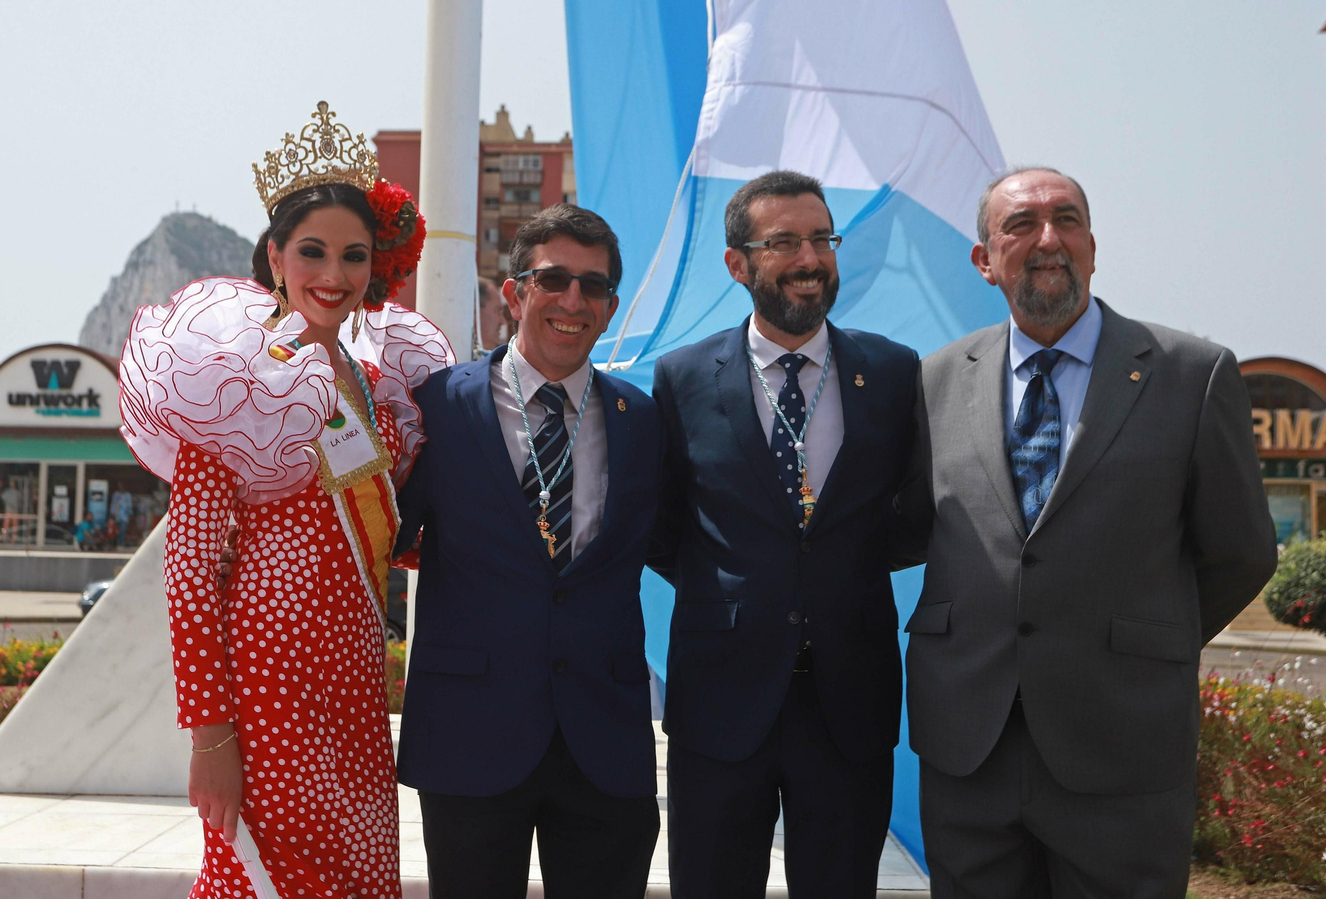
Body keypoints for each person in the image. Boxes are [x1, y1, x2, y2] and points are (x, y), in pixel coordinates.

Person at [892, 166, 1277, 896]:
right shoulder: (933, 381)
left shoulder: (1190, 374)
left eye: (1067, 220)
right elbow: (913, 529)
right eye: (1021, 225)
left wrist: (1143, 636)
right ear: (983, 260)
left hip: (1123, 745)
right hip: (971, 746)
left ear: (1093, 247)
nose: (1048, 240)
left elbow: (1243, 551)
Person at [118, 101, 453, 899]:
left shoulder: (375, 387)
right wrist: (210, 737)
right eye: (312, 252)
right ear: (274, 255)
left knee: (359, 873)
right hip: (268, 687)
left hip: (357, 678)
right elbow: (191, 566)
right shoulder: (232, 374)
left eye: (354, 256)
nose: (333, 275)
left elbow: (388, 536)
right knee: (277, 877)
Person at [648, 170, 919, 897]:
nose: (811, 257)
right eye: (785, 241)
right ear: (737, 263)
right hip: (721, 700)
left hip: (848, 702)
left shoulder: (893, 374)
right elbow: (666, 524)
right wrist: (742, 587)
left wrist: (837, 574)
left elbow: (915, 514)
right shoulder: (681, 378)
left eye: (822, 238)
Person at [394, 204, 663, 899]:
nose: (574, 300)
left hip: (604, 741)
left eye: (595, 286)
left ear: (609, 308)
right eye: (554, 279)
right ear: (515, 293)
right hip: (468, 738)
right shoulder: (435, 408)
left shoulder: (648, 422)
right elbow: (378, 538)